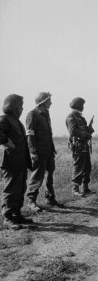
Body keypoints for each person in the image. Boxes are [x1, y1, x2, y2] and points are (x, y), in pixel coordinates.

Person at [0, 94, 33, 230]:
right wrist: (7, 142)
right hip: (11, 162)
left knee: (20, 189)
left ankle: (17, 214)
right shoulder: (5, 119)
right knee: (11, 190)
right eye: (20, 105)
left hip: (20, 162)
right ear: (13, 106)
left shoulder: (16, 121)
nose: (22, 108)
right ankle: (7, 217)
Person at [26, 92, 63, 212]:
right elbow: (30, 135)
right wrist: (33, 152)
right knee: (37, 176)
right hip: (39, 152)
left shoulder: (46, 113)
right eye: (49, 100)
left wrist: (52, 148)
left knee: (50, 175)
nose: (51, 102)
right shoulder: (32, 114)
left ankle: (50, 199)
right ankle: (31, 201)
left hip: (48, 151)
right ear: (42, 101)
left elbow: (49, 133)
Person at [66, 97, 94, 196]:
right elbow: (73, 131)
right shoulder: (71, 117)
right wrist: (85, 134)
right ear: (78, 106)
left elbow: (84, 130)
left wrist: (89, 129)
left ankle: (85, 188)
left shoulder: (81, 118)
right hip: (78, 145)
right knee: (78, 167)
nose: (83, 107)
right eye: (82, 105)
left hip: (84, 145)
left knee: (87, 167)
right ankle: (75, 189)